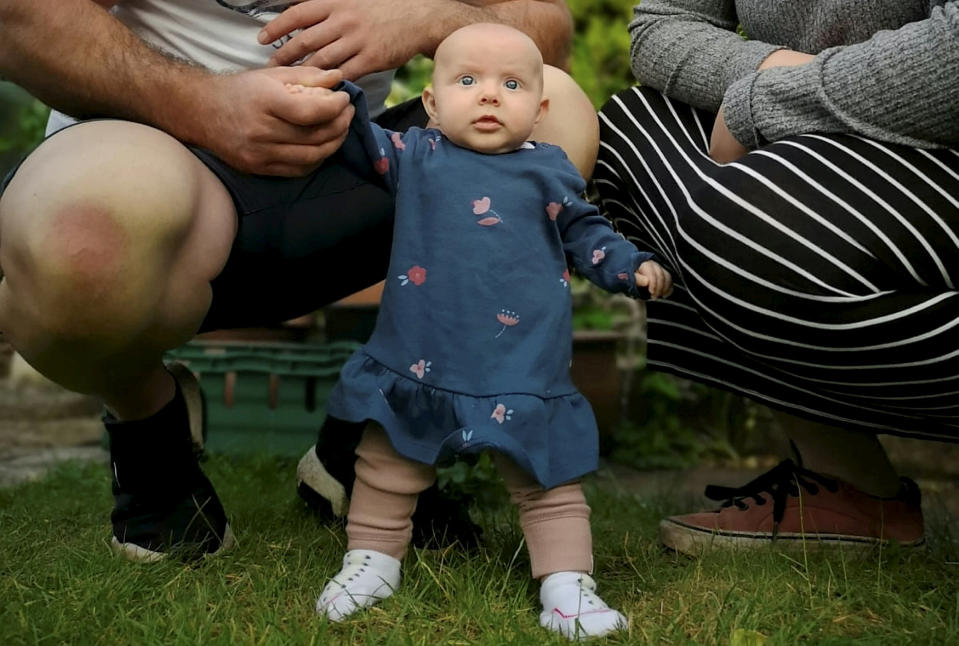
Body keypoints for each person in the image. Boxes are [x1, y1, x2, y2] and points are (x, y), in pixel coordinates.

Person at [0, 0, 600, 561]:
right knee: (79, 249)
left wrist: (425, 18)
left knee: (558, 120)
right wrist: (200, 104)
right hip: (148, 161)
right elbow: (20, 17)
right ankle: (147, 428)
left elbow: (542, 28)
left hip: (355, 164)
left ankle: (369, 435)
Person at [297, 23, 671, 639]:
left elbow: (588, 237)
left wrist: (632, 268)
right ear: (435, 105)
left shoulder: (548, 172)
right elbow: (359, 142)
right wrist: (337, 92)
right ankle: (371, 561)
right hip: (421, 356)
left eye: (512, 83)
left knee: (547, 482)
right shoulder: (416, 154)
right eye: (468, 81)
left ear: (540, 109)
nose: (490, 95)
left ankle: (568, 584)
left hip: (520, 365)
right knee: (387, 466)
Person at [593, 0, 958, 555]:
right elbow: (663, 24)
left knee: (742, 217)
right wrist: (781, 68)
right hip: (833, 144)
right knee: (634, 127)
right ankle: (848, 487)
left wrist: (772, 99)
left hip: (942, 148)